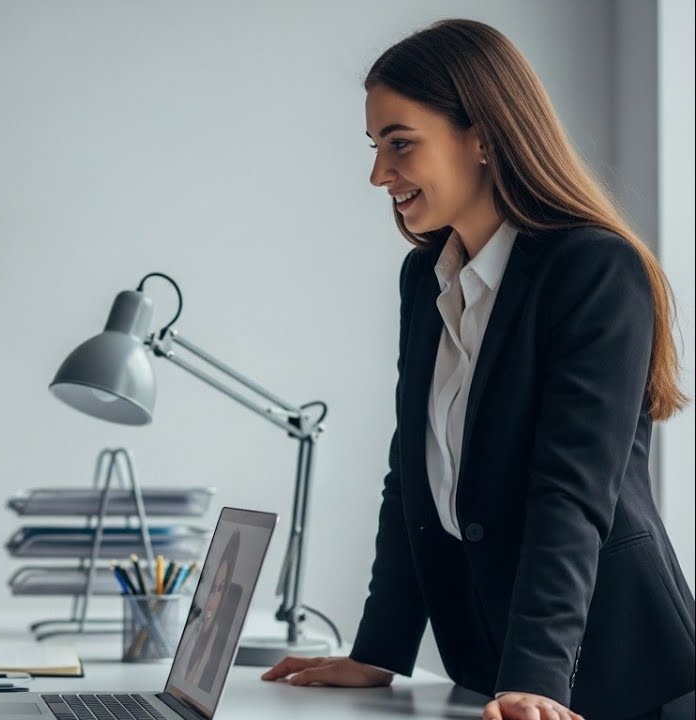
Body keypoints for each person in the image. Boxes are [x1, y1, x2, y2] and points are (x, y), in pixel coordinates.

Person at [261, 19, 695, 720]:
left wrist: (538, 678)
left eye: (401, 144)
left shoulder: (592, 270)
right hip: (493, 673)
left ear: (485, 135)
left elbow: (570, 491)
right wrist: (379, 650)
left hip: (619, 677)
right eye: (375, 148)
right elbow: (414, 476)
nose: (378, 174)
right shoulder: (424, 278)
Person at [179, 530, 243, 693]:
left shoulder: (215, 646)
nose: (210, 600)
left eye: (220, 589)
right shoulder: (193, 634)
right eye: (212, 588)